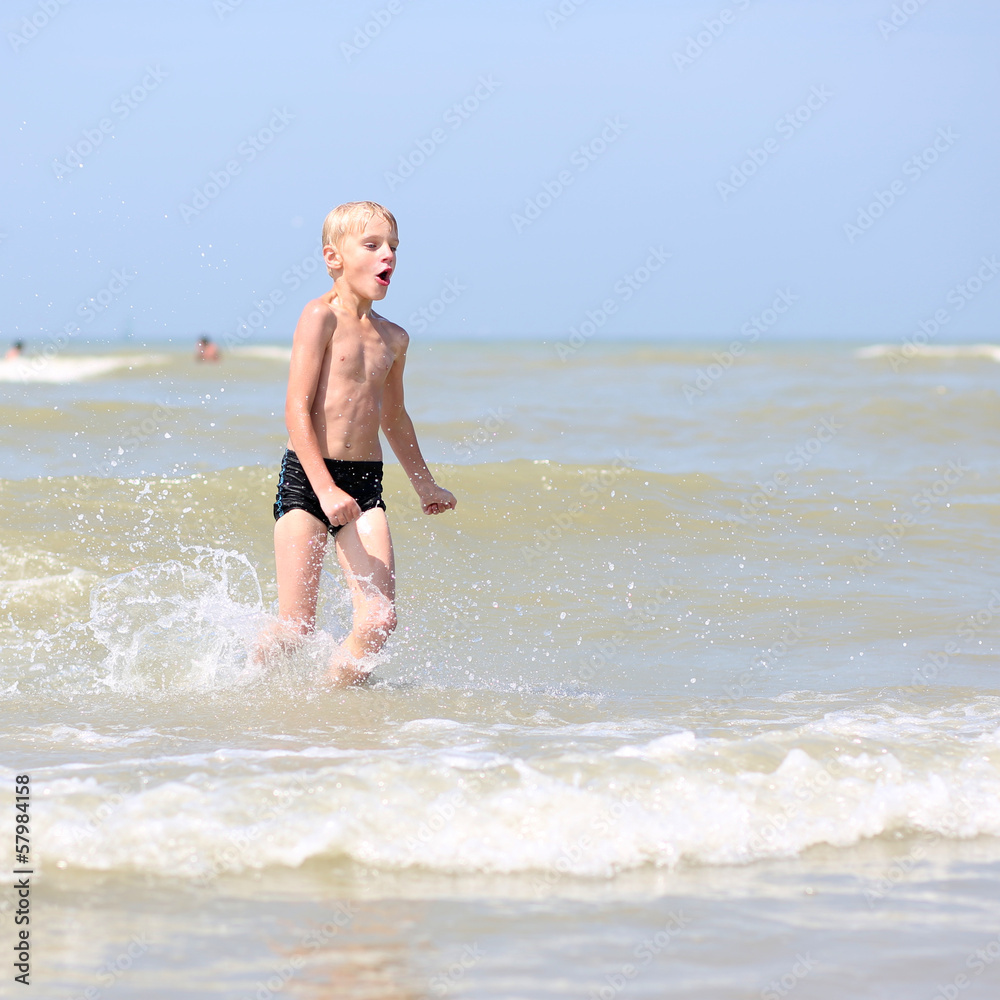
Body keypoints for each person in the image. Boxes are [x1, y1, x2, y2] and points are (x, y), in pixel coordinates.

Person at [254, 201, 456, 686]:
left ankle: (334, 710)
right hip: (309, 480)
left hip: (365, 485)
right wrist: (324, 489)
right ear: (333, 257)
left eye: (393, 247)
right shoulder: (319, 316)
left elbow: (394, 416)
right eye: (372, 245)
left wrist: (425, 484)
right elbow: (295, 411)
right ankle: (243, 684)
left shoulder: (395, 338)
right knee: (296, 627)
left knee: (379, 620)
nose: (387, 255)